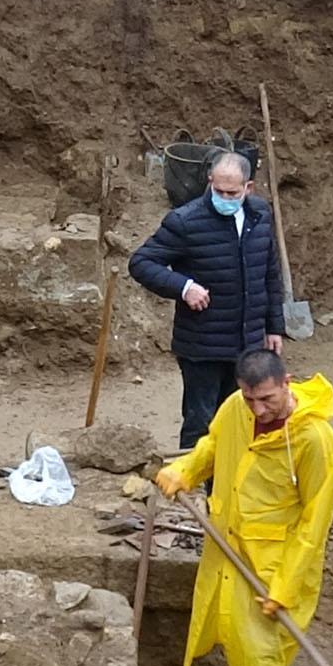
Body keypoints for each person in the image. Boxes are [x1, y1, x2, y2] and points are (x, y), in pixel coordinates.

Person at [153, 348, 333, 666]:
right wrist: (185, 471)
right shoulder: (236, 409)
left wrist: (284, 588)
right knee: (255, 647)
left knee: (260, 660)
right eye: (249, 398)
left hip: (278, 569)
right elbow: (214, 447)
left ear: (286, 384)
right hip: (231, 550)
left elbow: (312, 528)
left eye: (266, 400)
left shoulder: (318, 444)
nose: (257, 410)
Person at [131, 151, 290, 448]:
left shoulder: (260, 215)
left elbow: (269, 273)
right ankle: (192, 490)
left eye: (232, 192)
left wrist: (273, 326)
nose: (224, 197)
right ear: (209, 182)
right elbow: (141, 262)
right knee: (200, 423)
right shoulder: (185, 221)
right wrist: (183, 287)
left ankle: (232, 488)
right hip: (202, 346)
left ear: (249, 188)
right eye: (218, 191)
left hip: (248, 345)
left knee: (245, 419)